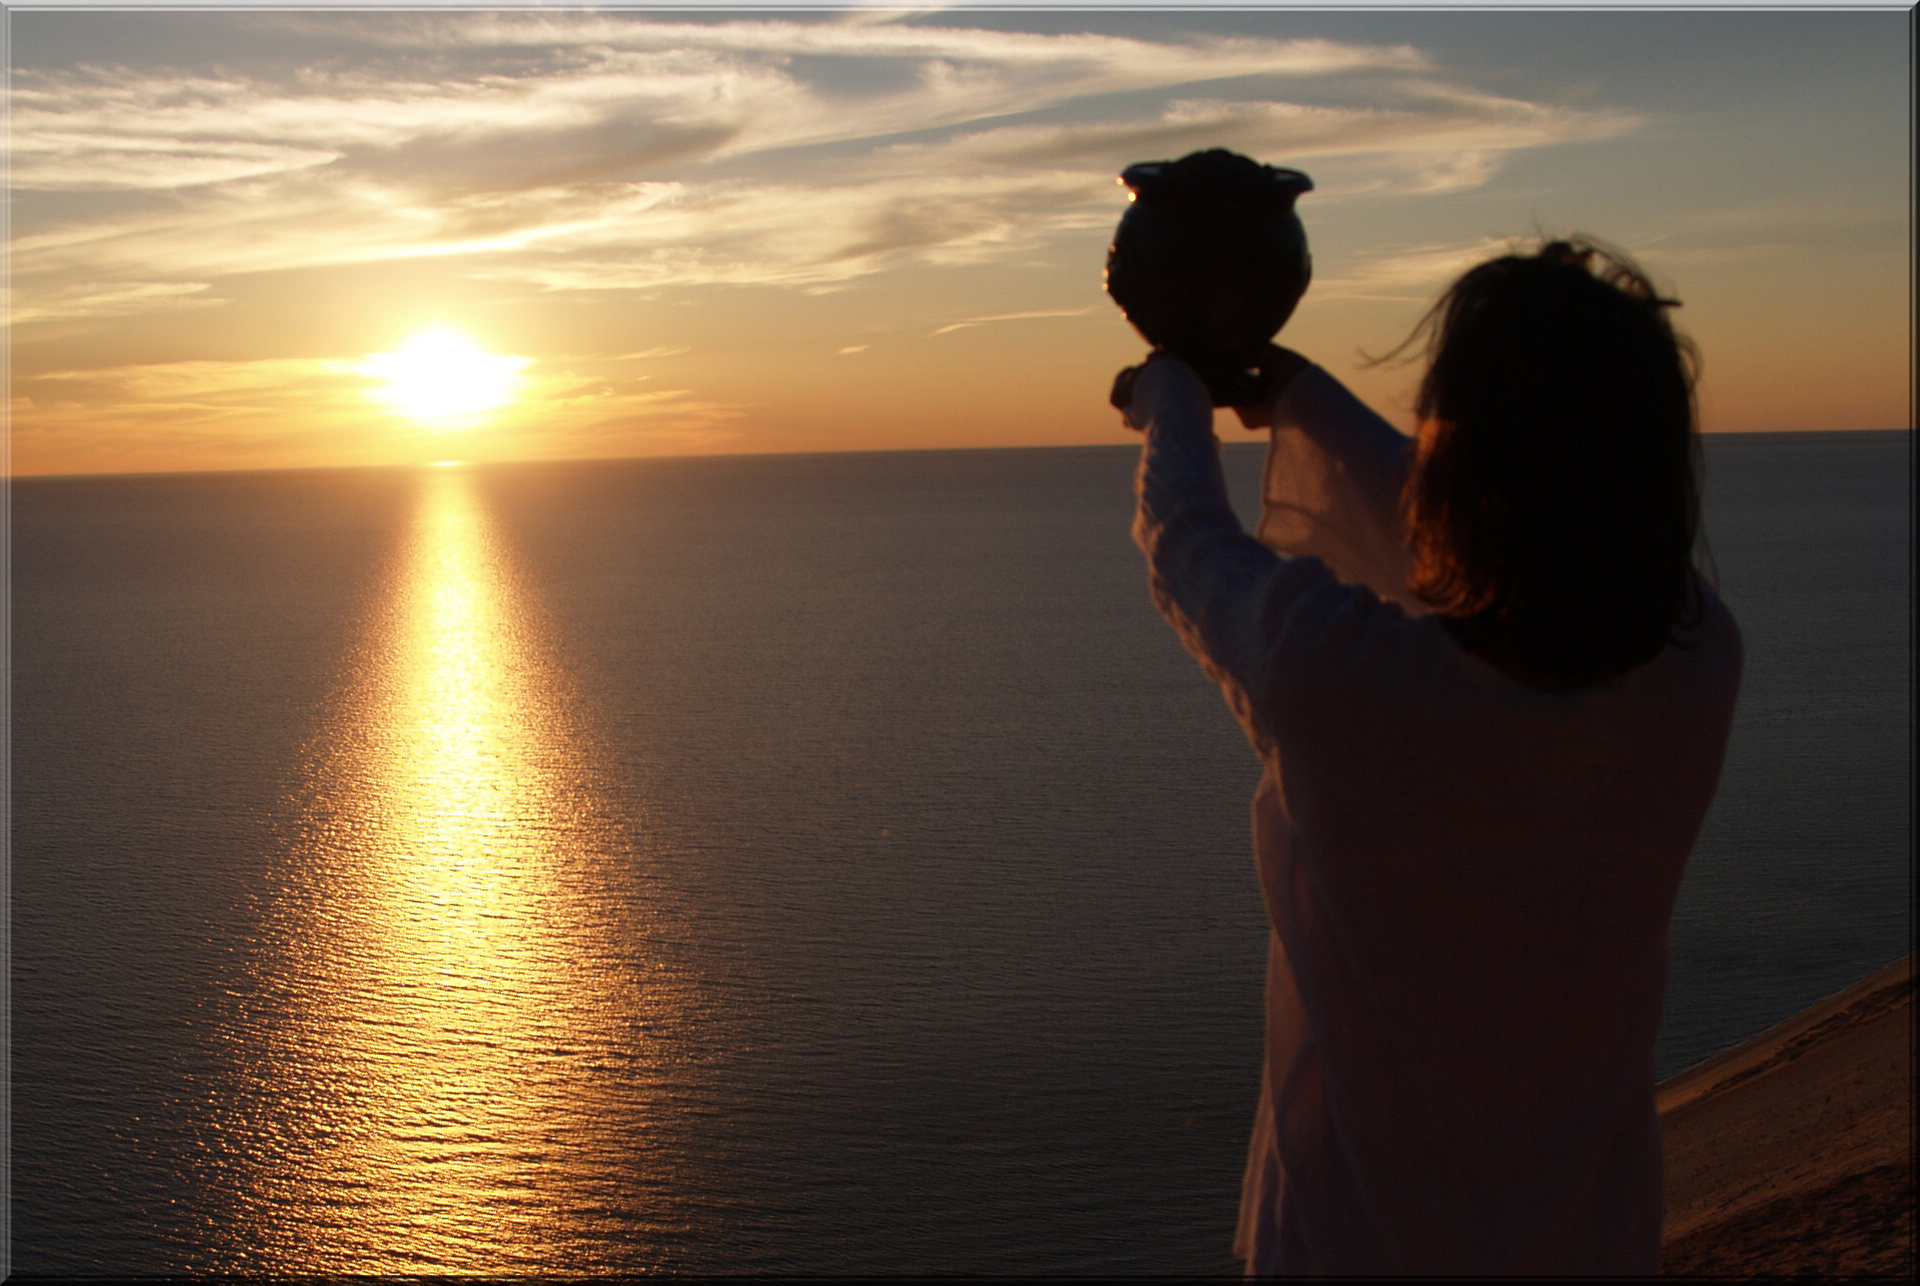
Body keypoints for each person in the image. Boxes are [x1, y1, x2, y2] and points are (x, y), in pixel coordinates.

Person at [1116, 240, 1742, 1275]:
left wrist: (1171, 391)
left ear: (1460, 468)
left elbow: (1185, 535)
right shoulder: (1697, 668)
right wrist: (1303, 400)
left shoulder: (1346, 683)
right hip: (1590, 1241)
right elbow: (1546, 527)